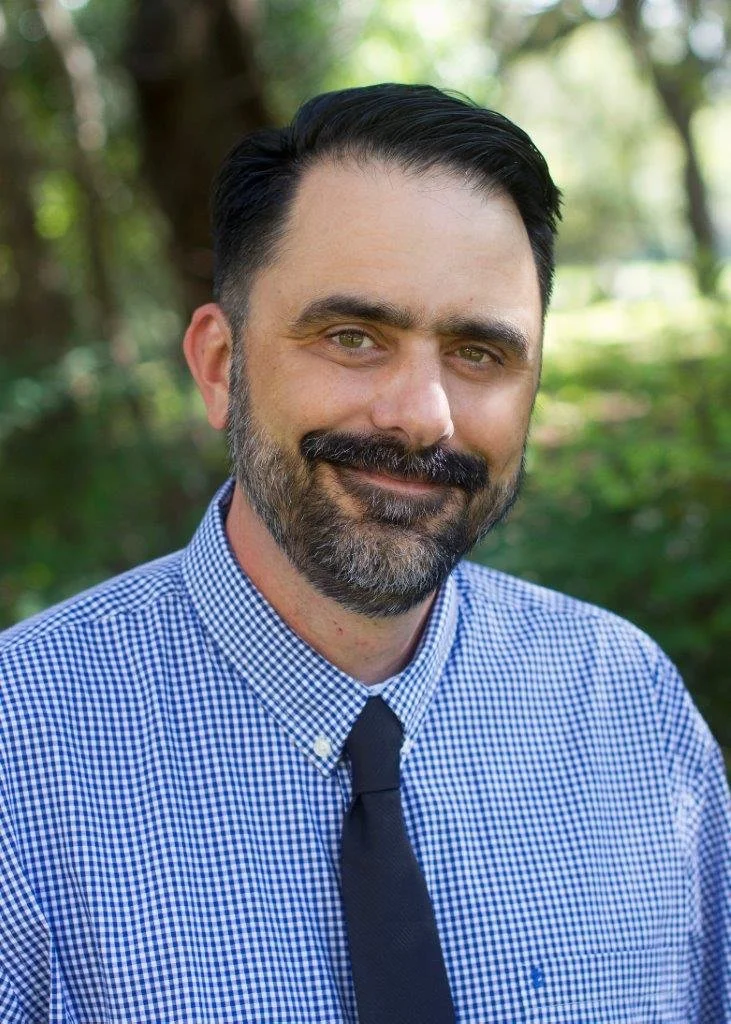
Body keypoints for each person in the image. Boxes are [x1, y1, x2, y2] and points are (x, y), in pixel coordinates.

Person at [0, 83, 728, 1024]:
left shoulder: (627, 709)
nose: (420, 416)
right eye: (352, 337)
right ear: (221, 367)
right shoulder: (19, 754)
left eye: (478, 354)